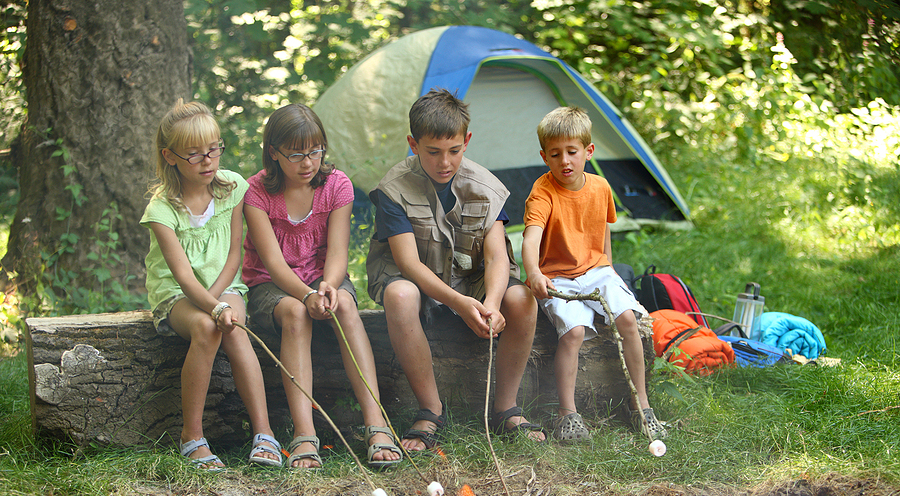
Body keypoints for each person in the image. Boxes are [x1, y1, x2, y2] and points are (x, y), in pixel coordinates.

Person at [366, 88, 542, 451]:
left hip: (471, 278)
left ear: (467, 141)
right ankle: (430, 410)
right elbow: (408, 264)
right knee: (399, 295)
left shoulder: (485, 187)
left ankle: (506, 407)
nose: (444, 162)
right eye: (433, 152)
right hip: (416, 279)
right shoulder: (393, 189)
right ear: (413, 144)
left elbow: (496, 257)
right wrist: (462, 305)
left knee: (522, 298)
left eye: (454, 151)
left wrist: (491, 304)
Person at [242, 104, 401, 469]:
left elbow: (339, 251)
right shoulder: (257, 194)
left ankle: (377, 425)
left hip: (322, 274)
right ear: (274, 153)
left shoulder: (336, 185)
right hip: (273, 284)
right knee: (297, 314)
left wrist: (328, 286)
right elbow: (273, 265)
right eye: (296, 154)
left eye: (315, 151)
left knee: (344, 304)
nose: (307, 163)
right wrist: (307, 295)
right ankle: (303, 434)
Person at [141, 100, 281, 470]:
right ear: (170, 156)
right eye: (195, 155)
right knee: (206, 326)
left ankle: (264, 433)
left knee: (235, 329)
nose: (208, 161)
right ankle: (193, 436)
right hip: (178, 294)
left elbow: (235, 254)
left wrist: (222, 300)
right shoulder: (162, 210)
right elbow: (184, 277)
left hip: (225, 283)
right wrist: (212, 307)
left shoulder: (232, 187)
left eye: (214, 149)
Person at [521, 106, 667, 442]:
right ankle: (567, 413)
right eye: (555, 154)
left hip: (596, 271)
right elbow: (530, 239)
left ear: (588, 151)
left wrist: (610, 271)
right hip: (557, 277)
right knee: (573, 334)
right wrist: (534, 273)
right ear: (544, 156)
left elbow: (603, 231)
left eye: (572, 152)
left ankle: (640, 404)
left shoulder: (600, 187)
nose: (565, 161)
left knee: (628, 320)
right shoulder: (542, 193)